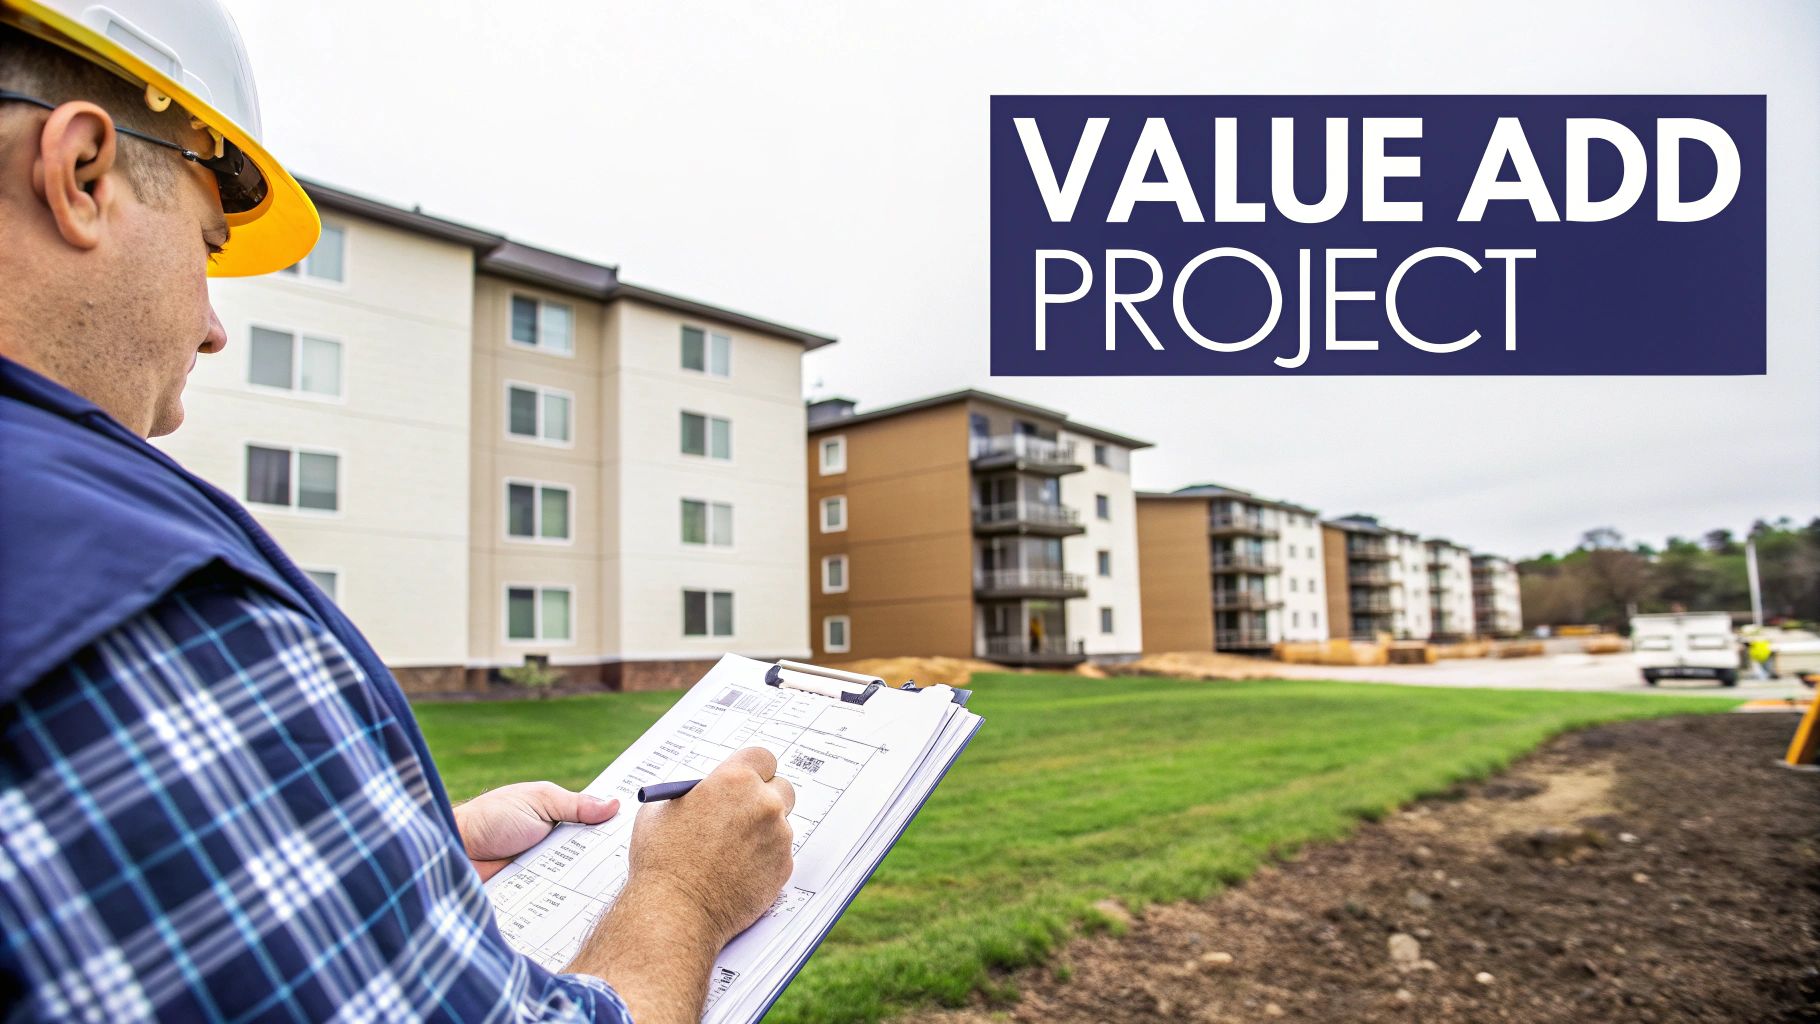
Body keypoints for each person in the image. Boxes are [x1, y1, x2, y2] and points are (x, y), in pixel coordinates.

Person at [0, 2, 794, 1020]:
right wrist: (686, 891)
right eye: (206, 246)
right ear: (81, 174)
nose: (212, 331)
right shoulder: (131, 602)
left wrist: (398, 854)